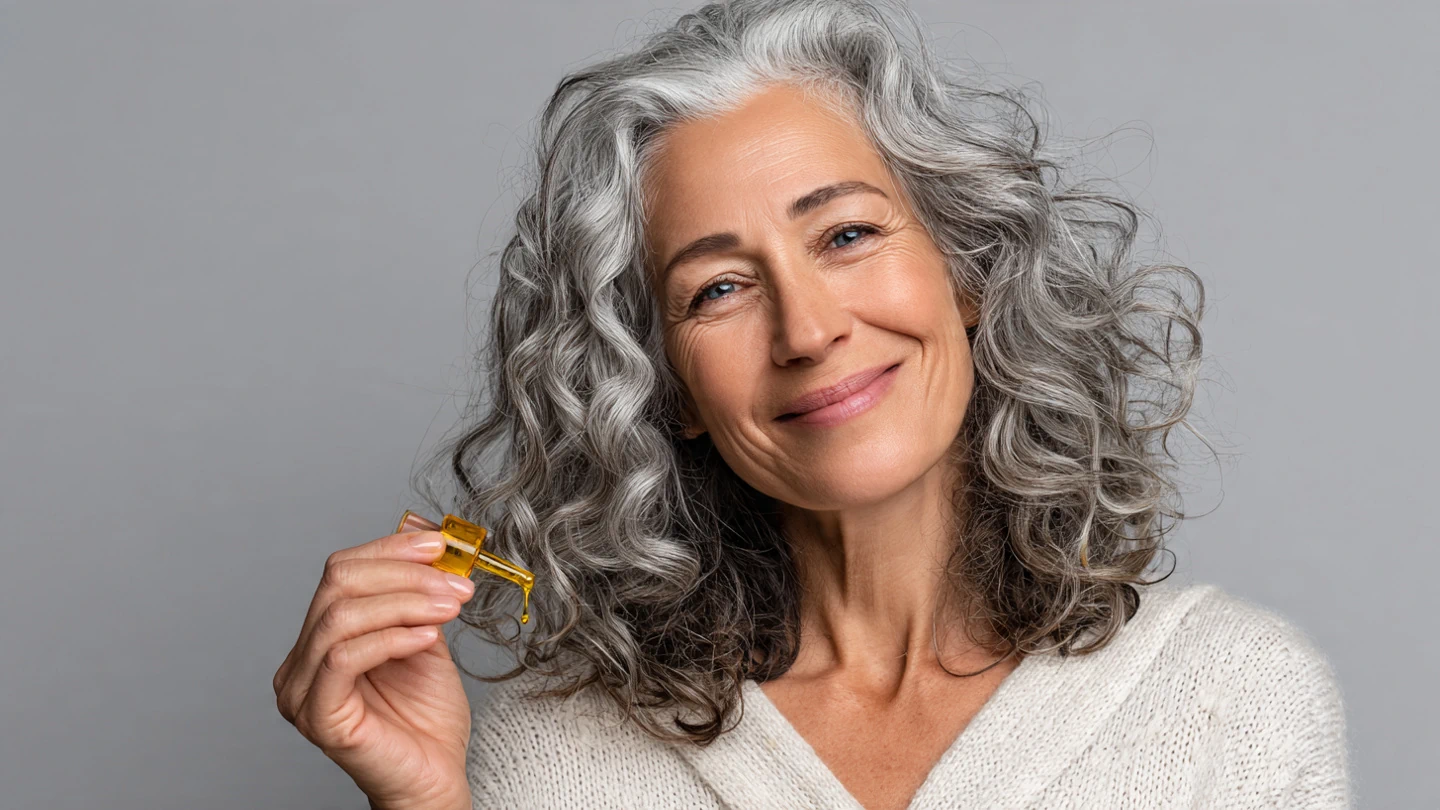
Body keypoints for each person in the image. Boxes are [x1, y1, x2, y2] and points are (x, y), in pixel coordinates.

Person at [273, 1, 1353, 808]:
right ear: (668, 392)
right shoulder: (555, 760)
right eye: (718, 290)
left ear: (966, 274)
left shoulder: (1233, 706)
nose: (807, 330)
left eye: (845, 234)